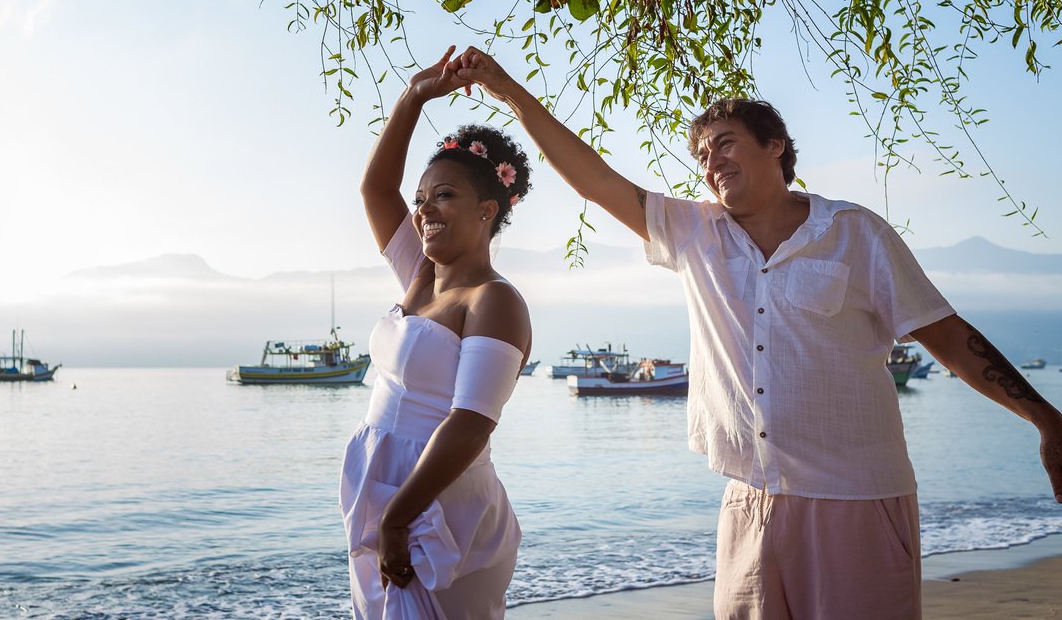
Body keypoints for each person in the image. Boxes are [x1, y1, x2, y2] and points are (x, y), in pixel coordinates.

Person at [448, 46, 1062, 620]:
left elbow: (947, 337)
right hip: (749, 502)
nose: (712, 162)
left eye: (725, 144)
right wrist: (509, 92)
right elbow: (594, 178)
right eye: (703, 156)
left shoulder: (858, 235)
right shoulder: (695, 234)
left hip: (857, 500)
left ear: (776, 148)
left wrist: (1045, 420)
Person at [340, 46, 534, 619]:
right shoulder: (420, 277)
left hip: (439, 508)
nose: (424, 210)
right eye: (422, 198)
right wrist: (415, 96)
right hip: (383, 495)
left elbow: (472, 421)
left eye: (444, 195)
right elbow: (376, 190)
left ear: (487, 210)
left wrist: (401, 514)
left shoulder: (493, 300)